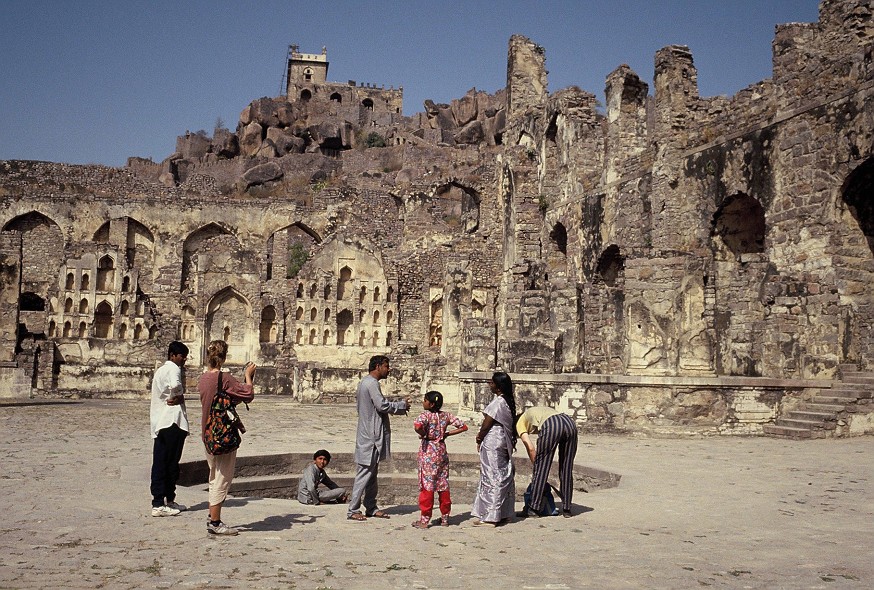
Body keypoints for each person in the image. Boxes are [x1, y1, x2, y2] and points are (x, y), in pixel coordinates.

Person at [197, 340, 256, 535]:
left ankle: (211, 516)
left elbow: (221, 401)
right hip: (222, 435)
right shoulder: (225, 378)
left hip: (208, 433)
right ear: (223, 358)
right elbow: (248, 394)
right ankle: (215, 522)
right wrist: (248, 376)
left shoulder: (203, 378)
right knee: (223, 478)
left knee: (214, 476)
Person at [347, 355, 410, 521]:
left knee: (371, 476)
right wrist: (401, 405)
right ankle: (353, 509)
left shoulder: (367, 383)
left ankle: (371, 507)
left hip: (370, 435)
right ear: (377, 367)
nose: (388, 370)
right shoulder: (371, 384)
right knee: (364, 474)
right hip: (370, 437)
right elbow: (381, 405)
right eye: (386, 366)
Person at [412, 390, 468, 528]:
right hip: (441, 451)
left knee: (428, 485)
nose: (423, 402)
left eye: (425, 400)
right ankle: (445, 517)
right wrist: (446, 433)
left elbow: (417, 426)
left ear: (430, 404)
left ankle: (425, 519)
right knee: (443, 483)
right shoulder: (445, 416)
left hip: (429, 451)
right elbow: (463, 426)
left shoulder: (426, 415)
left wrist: (424, 434)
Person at [470, 371, 518, 526]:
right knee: (502, 474)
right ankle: (505, 513)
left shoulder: (498, 403)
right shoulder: (507, 401)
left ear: (498, 386)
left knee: (492, 476)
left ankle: (491, 515)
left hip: (493, 442)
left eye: (491, 382)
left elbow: (487, 424)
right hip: (503, 441)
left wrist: (479, 437)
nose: (489, 385)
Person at [149, 341, 190, 517]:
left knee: (165, 462)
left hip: (162, 422)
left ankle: (167, 500)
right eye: (181, 356)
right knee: (168, 463)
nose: (183, 360)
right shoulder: (173, 368)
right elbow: (175, 386)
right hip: (171, 421)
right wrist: (179, 396)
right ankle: (159, 502)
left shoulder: (160, 370)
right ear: (173, 355)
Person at [516, 406, 577, 518]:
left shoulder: (519, 423)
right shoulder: (536, 412)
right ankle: (567, 508)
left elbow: (530, 448)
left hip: (552, 424)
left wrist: (538, 466)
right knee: (566, 467)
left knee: (541, 467)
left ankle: (534, 508)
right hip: (569, 423)